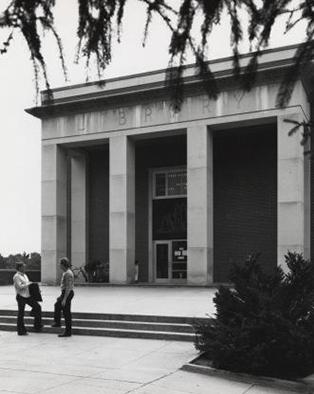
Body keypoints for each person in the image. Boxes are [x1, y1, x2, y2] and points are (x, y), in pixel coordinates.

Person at [13, 261, 43, 335]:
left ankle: (37, 326)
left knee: (37, 307)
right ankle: (21, 331)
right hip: (21, 296)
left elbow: (28, 285)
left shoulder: (25, 275)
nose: (25, 268)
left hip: (28, 296)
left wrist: (36, 289)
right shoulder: (16, 276)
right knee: (21, 313)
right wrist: (28, 283)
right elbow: (20, 287)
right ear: (20, 268)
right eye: (23, 267)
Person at [51, 257, 74, 337]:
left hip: (67, 293)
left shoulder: (68, 273)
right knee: (59, 306)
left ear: (63, 264)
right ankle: (59, 323)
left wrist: (64, 299)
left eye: (60, 264)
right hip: (65, 293)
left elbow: (68, 287)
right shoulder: (65, 272)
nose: (59, 265)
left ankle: (64, 328)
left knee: (66, 312)